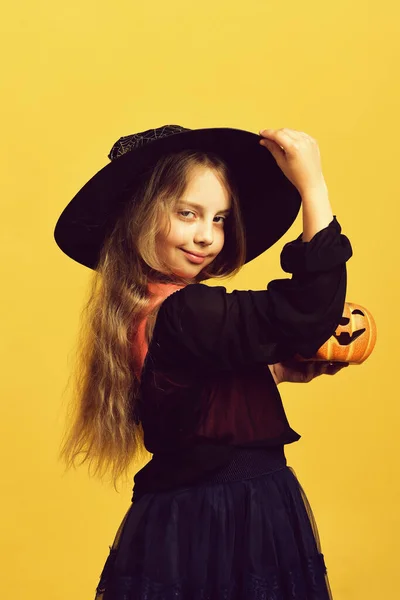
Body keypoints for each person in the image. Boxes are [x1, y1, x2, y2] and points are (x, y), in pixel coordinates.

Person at [54, 124, 353, 599]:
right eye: (188, 214)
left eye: (220, 219)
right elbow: (308, 312)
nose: (206, 237)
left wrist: (275, 372)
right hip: (231, 519)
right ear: (139, 217)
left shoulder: (148, 307)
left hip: (188, 518)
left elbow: (189, 395)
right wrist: (313, 186)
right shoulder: (185, 312)